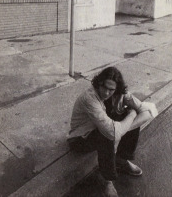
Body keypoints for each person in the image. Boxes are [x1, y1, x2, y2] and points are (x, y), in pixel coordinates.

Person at [67, 66, 157, 197]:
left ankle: (121, 159)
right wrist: (131, 116)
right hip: (80, 139)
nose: (107, 92)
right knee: (109, 132)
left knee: (124, 120)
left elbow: (147, 112)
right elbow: (111, 132)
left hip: (99, 129)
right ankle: (107, 180)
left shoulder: (120, 94)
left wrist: (124, 127)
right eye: (104, 87)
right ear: (99, 83)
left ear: (117, 89)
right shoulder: (90, 98)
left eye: (111, 89)